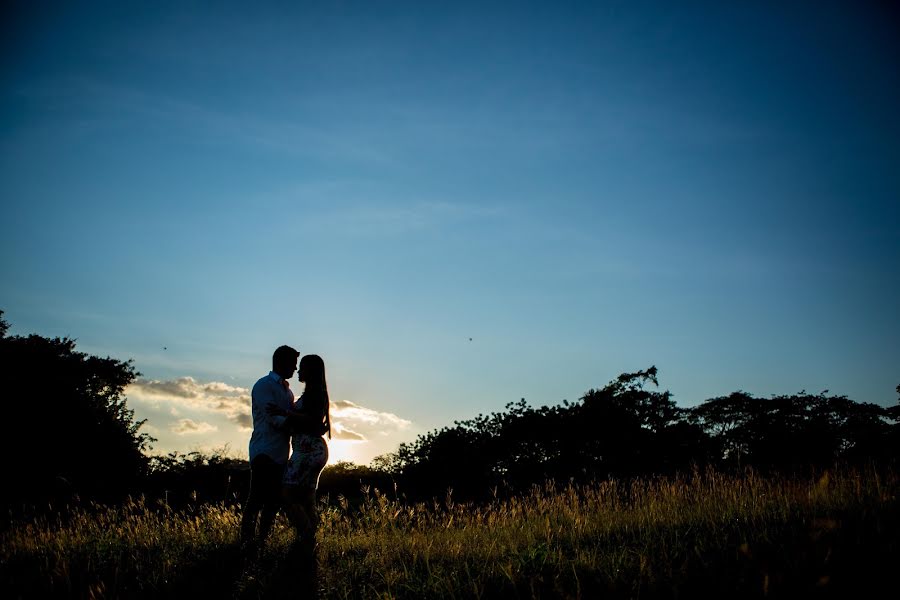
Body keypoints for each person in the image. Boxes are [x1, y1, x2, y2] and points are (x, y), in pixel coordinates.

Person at [266, 354, 331, 557]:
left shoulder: (316, 393)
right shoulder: (313, 393)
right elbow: (313, 421)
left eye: (302, 368)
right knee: (305, 499)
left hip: (308, 451)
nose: (298, 371)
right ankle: (309, 542)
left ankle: (306, 536)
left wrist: (284, 413)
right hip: (310, 449)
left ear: (310, 371)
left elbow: (311, 420)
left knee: (287, 494)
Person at [240, 344, 299, 558]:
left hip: (281, 453)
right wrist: (298, 425)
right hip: (264, 450)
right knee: (256, 496)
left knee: (273, 501)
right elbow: (273, 418)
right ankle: (245, 541)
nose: (295, 368)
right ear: (281, 362)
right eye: (292, 363)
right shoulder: (264, 386)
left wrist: (291, 419)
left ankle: (262, 541)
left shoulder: (288, 391)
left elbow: (285, 416)